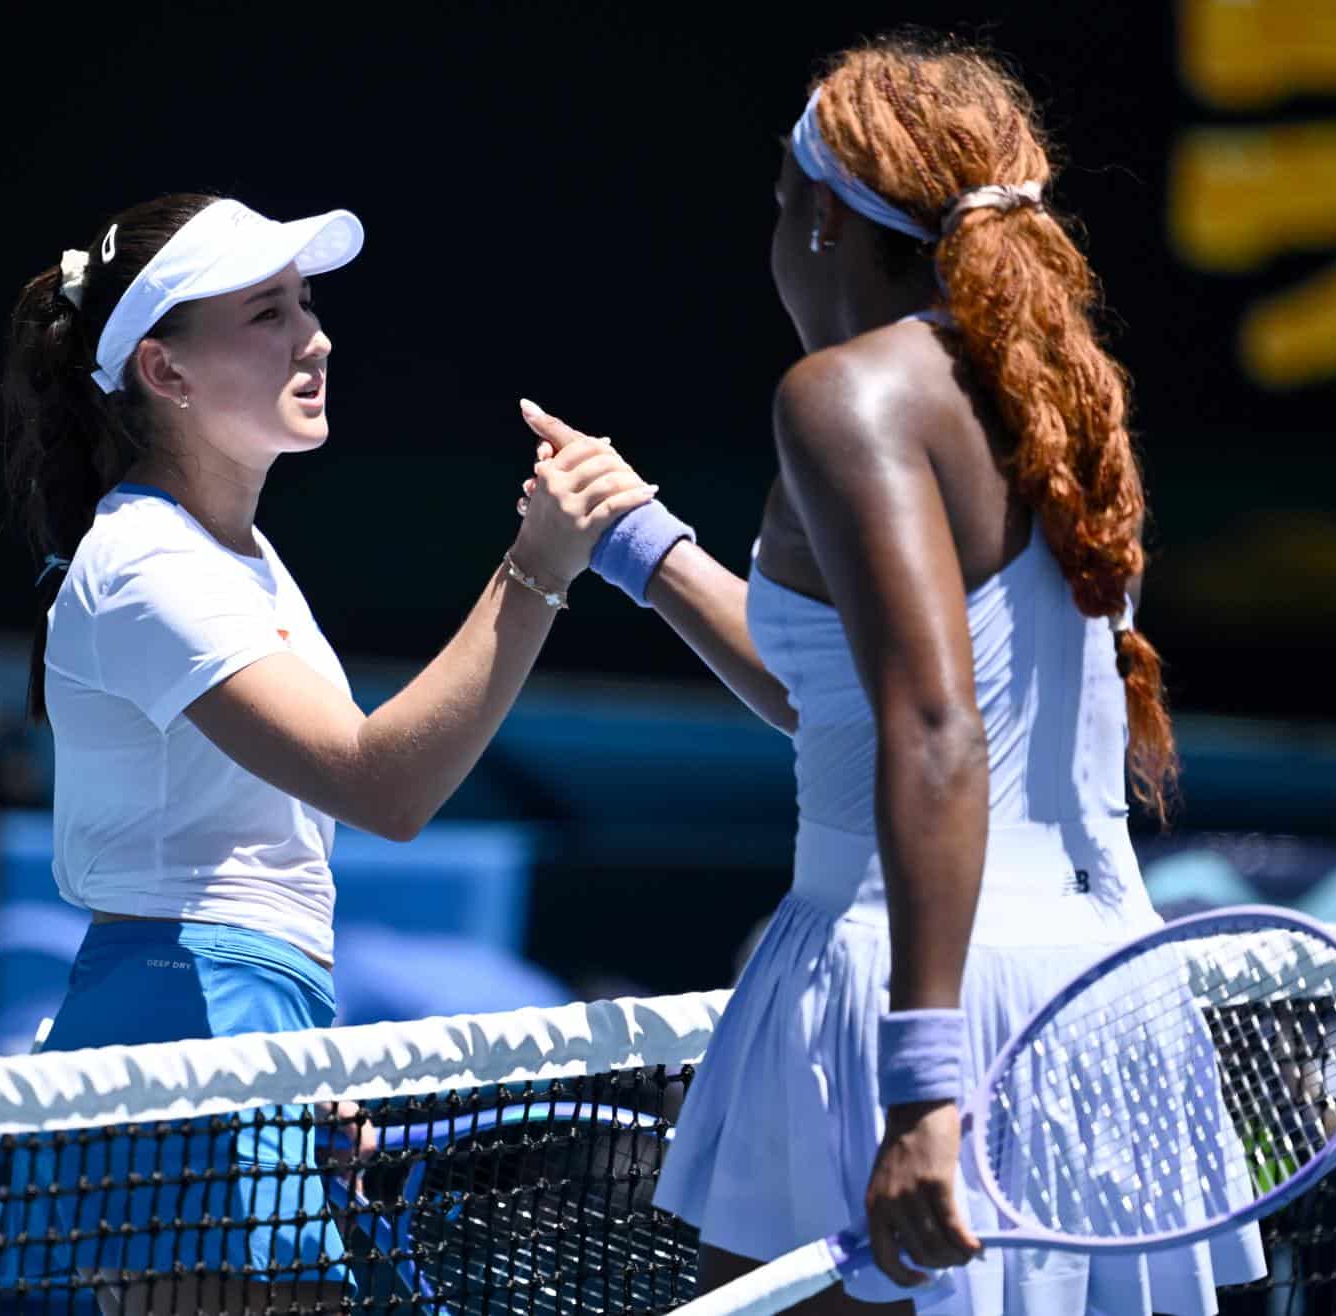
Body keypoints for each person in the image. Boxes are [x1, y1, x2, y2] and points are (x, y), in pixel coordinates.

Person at [517, 33, 1268, 1316]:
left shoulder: (842, 395)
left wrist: (926, 1085)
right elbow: (853, 698)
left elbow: (933, 729)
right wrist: (640, 542)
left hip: (909, 993)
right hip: (1099, 990)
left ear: (823, 218)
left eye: (775, 202)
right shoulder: (1055, 396)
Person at [0, 193, 654, 1312]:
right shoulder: (150, 566)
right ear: (165, 371)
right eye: (267, 312)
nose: (316, 335)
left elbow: (260, 860)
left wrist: (307, 1054)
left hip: (234, 1020)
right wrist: (540, 562)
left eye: (305, 303)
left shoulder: (236, 558)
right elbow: (382, 783)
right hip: (185, 1029)